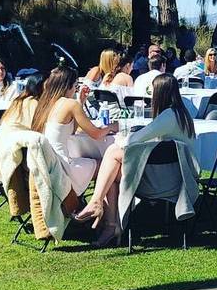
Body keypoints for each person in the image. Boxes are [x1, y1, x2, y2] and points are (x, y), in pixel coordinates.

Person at [76, 74, 195, 247]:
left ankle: (101, 210)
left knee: (112, 153)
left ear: (160, 93)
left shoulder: (168, 116)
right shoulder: (181, 114)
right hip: (177, 178)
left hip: (165, 183)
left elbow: (134, 139)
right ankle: (111, 225)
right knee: (114, 170)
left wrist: (120, 138)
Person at [31, 66, 118, 245]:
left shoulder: (46, 103)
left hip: (50, 165)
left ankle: (103, 218)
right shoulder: (70, 104)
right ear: (69, 85)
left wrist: (81, 100)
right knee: (109, 167)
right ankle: (109, 222)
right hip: (63, 168)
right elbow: (95, 133)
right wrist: (111, 127)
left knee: (104, 165)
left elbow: (75, 127)